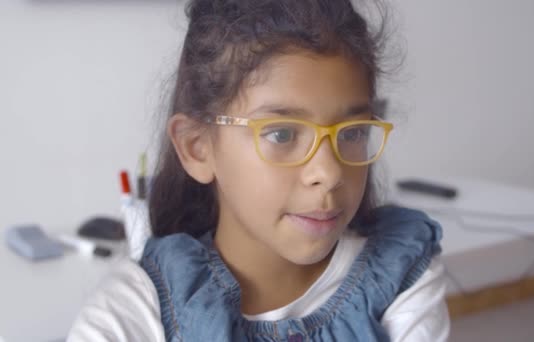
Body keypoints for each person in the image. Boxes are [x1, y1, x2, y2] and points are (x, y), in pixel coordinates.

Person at [68, 0, 450, 340]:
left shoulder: (401, 274)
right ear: (197, 148)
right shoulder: (131, 314)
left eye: (353, 132)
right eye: (282, 133)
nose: (329, 172)